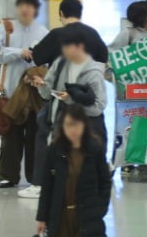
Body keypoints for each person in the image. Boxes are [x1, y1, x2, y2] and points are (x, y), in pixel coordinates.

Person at [0, 0, 50, 189]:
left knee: (34, 135)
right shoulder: (6, 29)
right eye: (22, 6)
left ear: (35, 10)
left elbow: (49, 61)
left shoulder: (43, 32)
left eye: (29, 7)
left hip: (33, 93)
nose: (25, 10)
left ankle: (34, 177)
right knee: (11, 135)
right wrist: (17, 52)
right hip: (11, 91)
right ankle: (8, 175)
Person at [33, 103, 112, 237]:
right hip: (61, 216)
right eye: (68, 125)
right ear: (62, 127)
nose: (73, 129)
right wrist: (42, 218)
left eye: (76, 124)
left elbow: (105, 181)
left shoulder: (94, 149)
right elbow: (47, 187)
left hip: (88, 216)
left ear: (84, 124)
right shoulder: (54, 151)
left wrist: (100, 208)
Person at [35, 27, 109, 158]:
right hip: (60, 131)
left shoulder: (93, 73)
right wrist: (41, 85)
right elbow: (47, 94)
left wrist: (71, 100)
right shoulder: (59, 64)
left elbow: (98, 107)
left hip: (87, 134)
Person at [32, 0, 110, 70]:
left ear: (61, 14)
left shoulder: (56, 35)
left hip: (60, 84)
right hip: (87, 82)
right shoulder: (93, 33)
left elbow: (37, 58)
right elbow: (103, 58)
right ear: (80, 14)